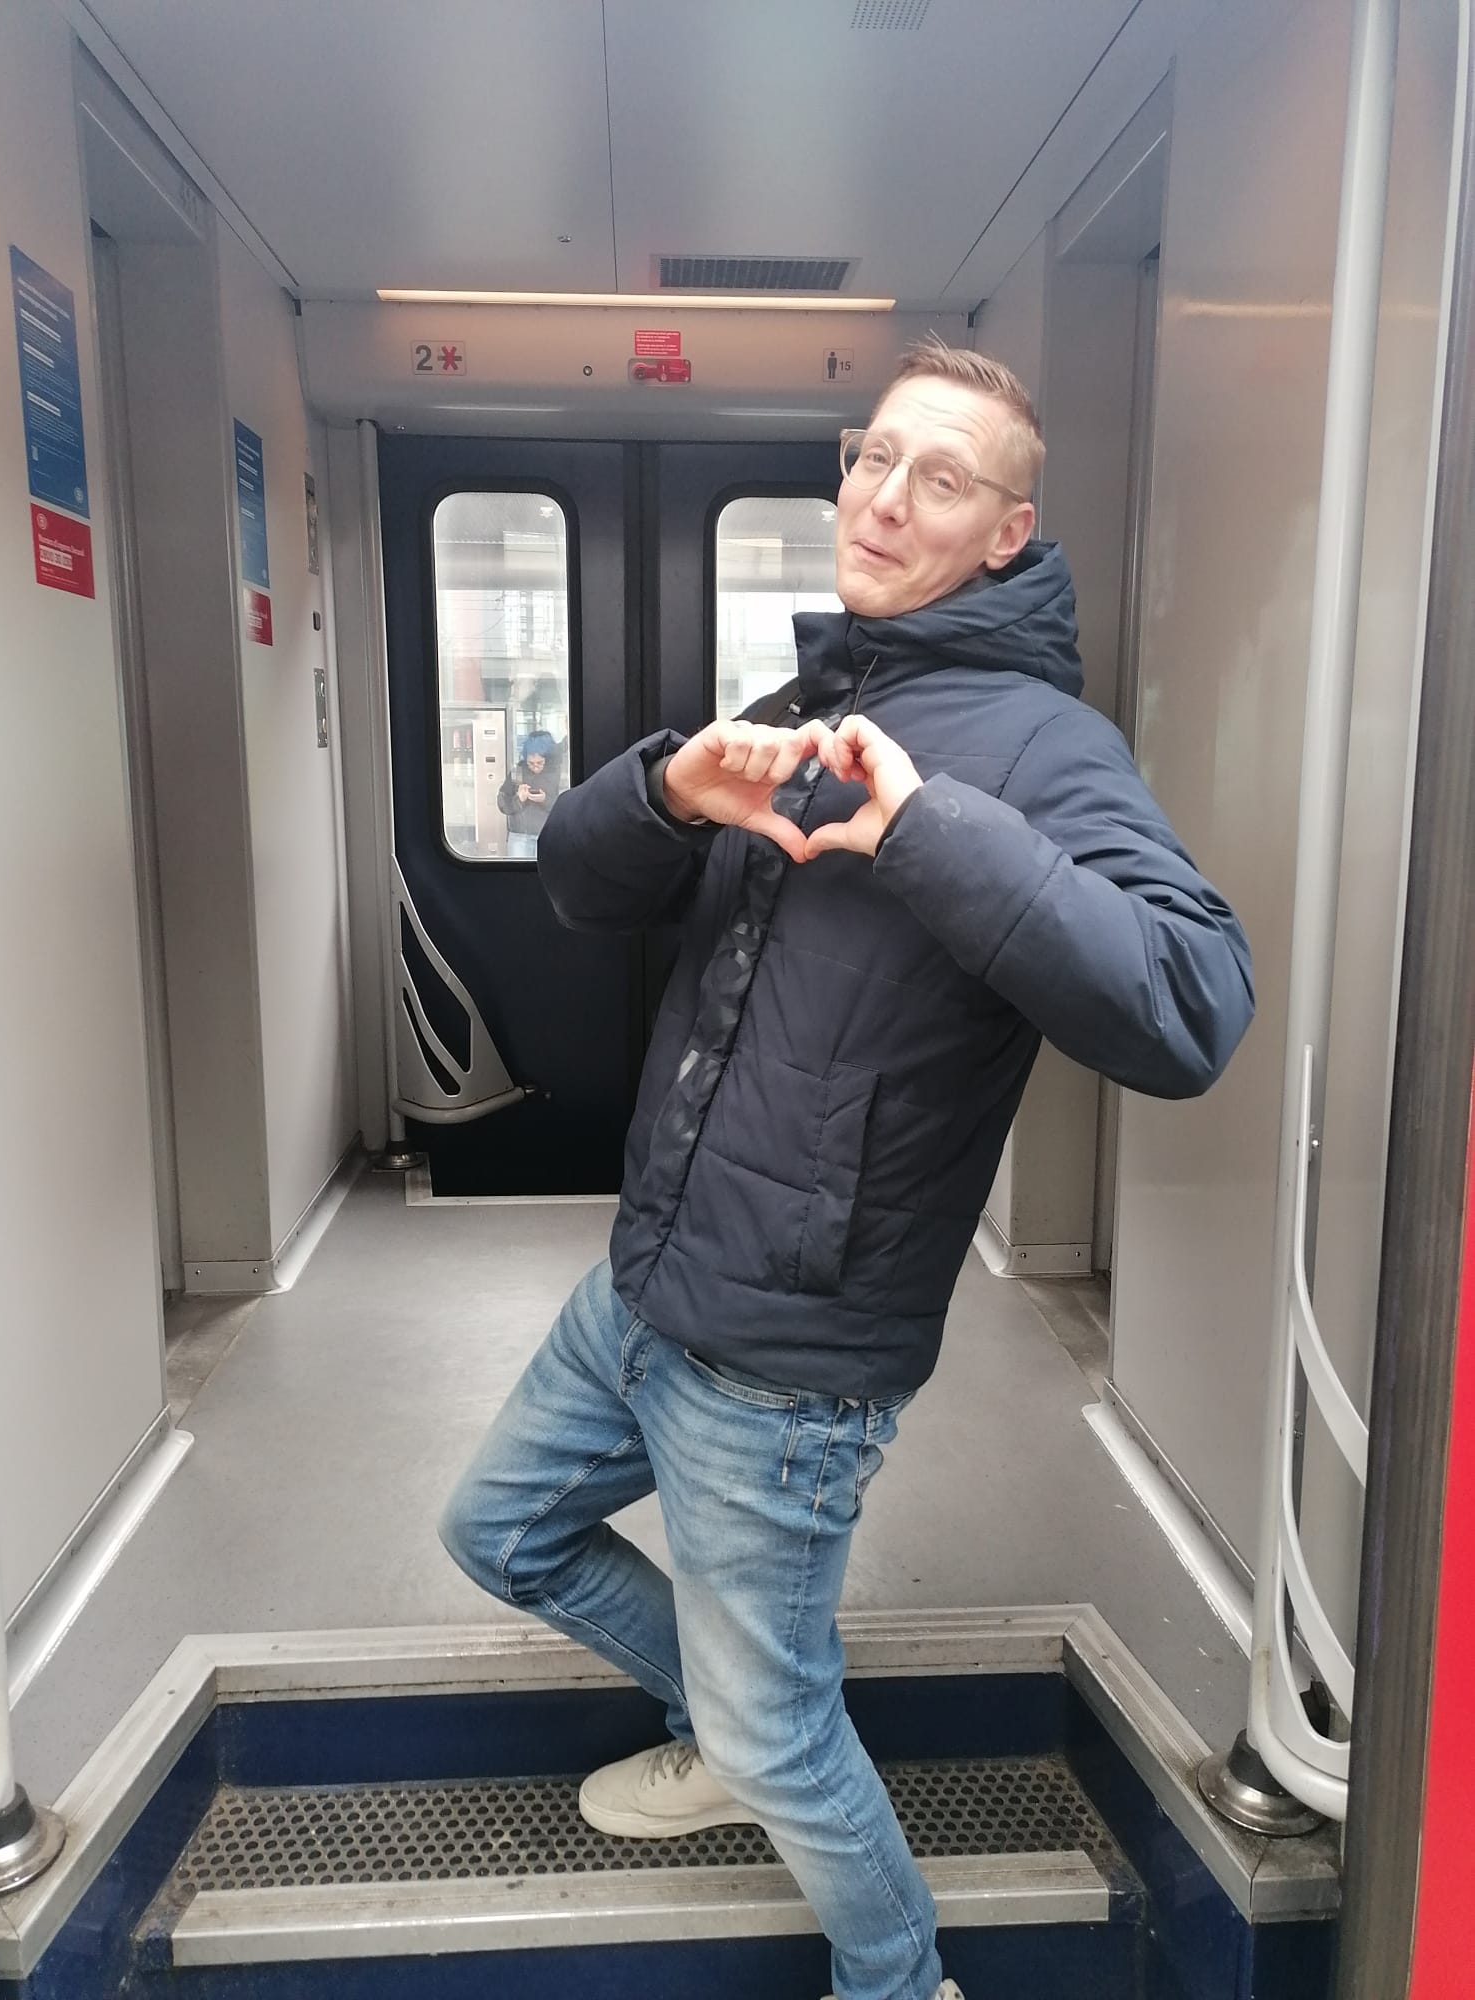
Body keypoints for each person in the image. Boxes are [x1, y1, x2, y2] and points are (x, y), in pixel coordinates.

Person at [439, 339, 1254, 2000]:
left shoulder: (1044, 749)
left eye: (938, 478)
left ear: (1006, 534)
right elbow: (581, 886)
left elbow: (1190, 1005)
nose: (883, 499)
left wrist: (930, 827)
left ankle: (898, 1977)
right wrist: (666, 791)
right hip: (648, 1284)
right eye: (873, 458)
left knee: (783, 1722)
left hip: (792, 1363)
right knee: (500, 1534)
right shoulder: (803, 703)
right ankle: (718, 1731)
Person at [497, 728, 559, 857]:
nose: (535, 767)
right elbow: (503, 804)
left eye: (539, 763)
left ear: (547, 759)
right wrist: (519, 800)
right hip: (519, 835)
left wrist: (545, 800)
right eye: (530, 763)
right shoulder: (518, 772)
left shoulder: (557, 773)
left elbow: (567, 804)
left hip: (546, 834)